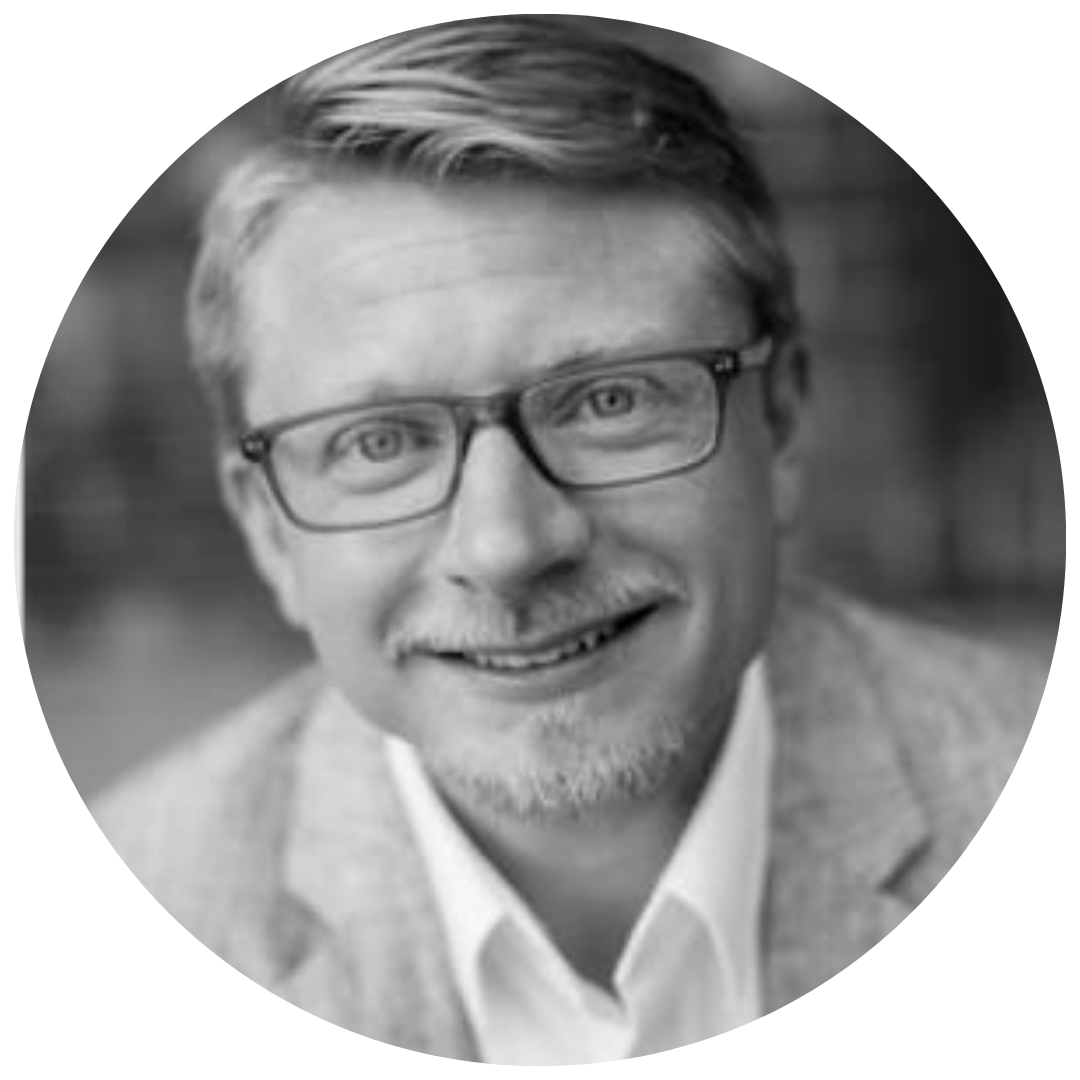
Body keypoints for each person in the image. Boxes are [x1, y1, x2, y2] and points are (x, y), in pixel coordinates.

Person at [92, 17, 1046, 1061]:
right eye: (380, 442)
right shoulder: (163, 880)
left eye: (609, 401)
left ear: (779, 423)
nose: (507, 546)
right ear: (268, 528)